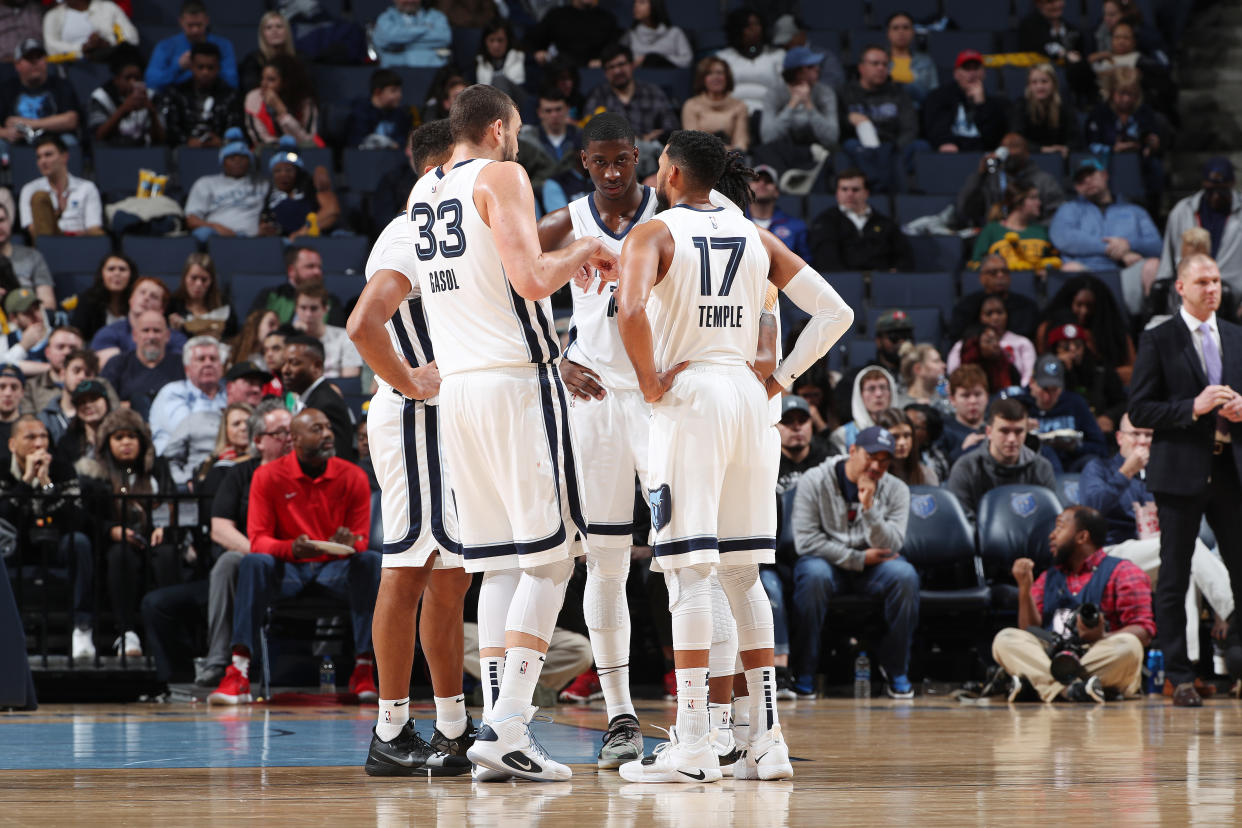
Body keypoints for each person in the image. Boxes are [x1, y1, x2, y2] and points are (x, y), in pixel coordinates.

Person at [357, 84, 615, 782]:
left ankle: (493, 734)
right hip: (512, 383)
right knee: (554, 559)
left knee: (497, 563)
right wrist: (587, 245)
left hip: (460, 394)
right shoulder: (503, 173)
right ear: (499, 129)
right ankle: (507, 726)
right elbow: (531, 280)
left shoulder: (420, 198)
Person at [615, 129, 852, 783]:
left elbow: (629, 308)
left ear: (676, 171)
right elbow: (836, 314)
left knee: (691, 575)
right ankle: (766, 741)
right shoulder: (755, 235)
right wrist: (781, 380)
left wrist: (651, 382)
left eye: (661, 163)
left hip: (691, 398)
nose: (656, 171)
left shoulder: (655, 232)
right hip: (750, 403)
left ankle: (694, 744)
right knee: (744, 576)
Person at [346, 117, 478, 775]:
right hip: (415, 416)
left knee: (452, 576)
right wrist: (410, 381)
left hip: (449, 417)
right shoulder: (408, 232)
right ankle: (392, 729)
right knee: (408, 568)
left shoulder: (459, 230)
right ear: (437, 170)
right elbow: (363, 324)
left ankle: (453, 727)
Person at [535, 112, 660, 768]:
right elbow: (508, 282)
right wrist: (554, 353)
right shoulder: (566, 222)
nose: (613, 173)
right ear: (584, 162)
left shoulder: (673, 215)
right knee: (606, 561)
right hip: (597, 400)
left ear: (638, 157)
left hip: (665, 398)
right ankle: (620, 717)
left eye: (623, 161)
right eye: (601, 162)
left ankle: (715, 719)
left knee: (696, 559)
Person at [1128, 254, 1242, 706]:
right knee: (1174, 576)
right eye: (1202, 281)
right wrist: (1191, 408)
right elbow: (1140, 409)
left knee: (1241, 570)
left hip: (1230, 468)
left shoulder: (1235, 336)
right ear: (1180, 287)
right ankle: (1179, 675)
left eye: (1216, 281)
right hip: (1180, 471)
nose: (1212, 288)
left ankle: (1237, 660)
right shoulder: (1159, 339)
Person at [208, 408, 379, 706]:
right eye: (317, 429)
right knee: (252, 561)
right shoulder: (267, 475)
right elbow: (258, 539)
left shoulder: (353, 475)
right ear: (295, 439)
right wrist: (291, 549)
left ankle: (364, 668)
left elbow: (362, 538)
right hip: (288, 570)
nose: (327, 434)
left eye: (328, 427)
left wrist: (352, 543)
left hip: (334, 569)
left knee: (371, 561)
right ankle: (238, 670)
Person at [1082, 414, 1235, 671]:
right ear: (1120, 438)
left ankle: (1183, 669)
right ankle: (1234, 609)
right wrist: (1125, 472)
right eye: (1136, 434)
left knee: (1180, 563)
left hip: (1155, 552)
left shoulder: (1164, 475)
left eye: (1149, 435)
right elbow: (1089, 511)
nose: (1142, 441)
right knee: (1185, 548)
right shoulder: (1098, 468)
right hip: (1111, 554)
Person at [791, 426, 916, 698]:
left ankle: (896, 672)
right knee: (812, 575)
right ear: (852, 451)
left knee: (904, 576)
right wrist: (858, 558)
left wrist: (869, 509)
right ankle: (804, 674)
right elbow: (806, 541)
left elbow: (893, 543)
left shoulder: (897, 490)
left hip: (875, 568)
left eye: (884, 460)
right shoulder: (814, 480)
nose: (876, 465)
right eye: (871, 456)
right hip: (829, 564)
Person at [994, 506, 1153, 703]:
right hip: (1054, 656)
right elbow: (1028, 630)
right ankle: (1073, 689)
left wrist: (1102, 635)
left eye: (1059, 528)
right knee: (1005, 638)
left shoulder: (1124, 572)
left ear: (1082, 537)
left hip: (1096, 654)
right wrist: (1024, 589)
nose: (1051, 535)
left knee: (1129, 647)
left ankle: (1041, 684)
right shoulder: (1047, 577)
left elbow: (1143, 631)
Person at [192, 399, 292, 688]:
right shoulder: (239, 474)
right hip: (256, 554)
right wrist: (263, 550)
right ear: (258, 441)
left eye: (292, 432)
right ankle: (220, 660)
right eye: (282, 433)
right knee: (228, 563)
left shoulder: (304, 471)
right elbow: (220, 529)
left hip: (302, 554)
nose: (290, 439)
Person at [79, 408, 182, 661]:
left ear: (142, 441)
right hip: (115, 544)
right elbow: (86, 517)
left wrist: (163, 527)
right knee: (120, 556)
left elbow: (171, 503)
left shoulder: (157, 469)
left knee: (168, 554)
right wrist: (110, 530)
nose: (126, 443)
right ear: (107, 442)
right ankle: (127, 633)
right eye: (118, 437)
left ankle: (170, 632)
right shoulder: (95, 474)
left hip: (154, 539)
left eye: (131, 437)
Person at [0, 415, 92, 657]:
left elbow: (76, 519)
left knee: (80, 543)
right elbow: (3, 520)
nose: (39, 444)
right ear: (12, 444)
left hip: (54, 542)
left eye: (43, 437)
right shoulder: (2, 470)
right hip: (16, 546)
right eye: (30, 437)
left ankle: (82, 627)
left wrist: (47, 485)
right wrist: (27, 481)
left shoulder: (62, 468)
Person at [1049, 157, 1161, 316]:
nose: (1087, 181)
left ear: (1104, 175)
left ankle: (1150, 322)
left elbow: (1157, 246)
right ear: (1076, 188)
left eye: (1091, 175)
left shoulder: (1134, 211)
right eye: (1080, 180)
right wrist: (1115, 250)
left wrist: (1129, 244)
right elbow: (1063, 238)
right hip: (1087, 272)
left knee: (1152, 265)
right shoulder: (1068, 209)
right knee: (1069, 268)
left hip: (1125, 273)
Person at [946, 396, 1057, 522]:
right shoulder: (966, 468)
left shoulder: (1041, 467)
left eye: (1018, 432)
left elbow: (1049, 520)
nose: (1011, 439)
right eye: (1004, 431)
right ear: (989, 432)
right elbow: (962, 524)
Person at [582, 44, 679, 178]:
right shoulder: (598, 96)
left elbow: (671, 127)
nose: (617, 71)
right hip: (613, 164)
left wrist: (650, 138)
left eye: (621, 65)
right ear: (605, 72)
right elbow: (591, 133)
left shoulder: (652, 92)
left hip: (652, 162)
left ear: (632, 65)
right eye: (611, 67)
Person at [840, 44, 921, 193]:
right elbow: (836, 128)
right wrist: (847, 120)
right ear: (861, 68)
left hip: (891, 145)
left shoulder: (898, 93)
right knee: (851, 146)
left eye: (885, 64)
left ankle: (878, 188)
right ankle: (879, 188)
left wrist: (893, 148)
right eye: (875, 64)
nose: (881, 68)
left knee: (913, 148)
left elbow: (910, 128)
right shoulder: (845, 93)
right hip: (859, 148)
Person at [1083, 67, 1167, 209]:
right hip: (1106, 163)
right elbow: (1090, 144)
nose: (1126, 99)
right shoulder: (1099, 113)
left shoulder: (1144, 112)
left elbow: (1153, 137)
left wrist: (1152, 143)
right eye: (1122, 94)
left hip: (1139, 163)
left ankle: (1152, 210)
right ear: (1112, 92)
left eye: (1131, 94)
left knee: (1156, 167)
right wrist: (1113, 149)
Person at [1158, 157, 1242, 294]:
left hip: (1233, 293)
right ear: (1203, 184)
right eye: (1211, 190)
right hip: (1191, 291)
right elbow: (1167, 260)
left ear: (1232, 183)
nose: (1216, 196)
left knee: (1225, 292)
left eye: (1222, 191)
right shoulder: (1183, 211)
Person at [1036, 273, 1136, 383]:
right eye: (1079, 305)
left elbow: (1133, 372)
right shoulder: (1048, 329)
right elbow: (1042, 367)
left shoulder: (1114, 331)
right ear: (1069, 303)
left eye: (1090, 306)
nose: (1084, 311)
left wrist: (1102, 375)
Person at [810, 168, 913, 273]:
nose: (849, 194)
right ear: (837, 193)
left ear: (866, 193)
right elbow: (826, 260)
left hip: (882, 283)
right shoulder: (825, 221)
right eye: (844, 189)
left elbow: (903, 258)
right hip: (842, 283)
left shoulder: (885, 223)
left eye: (855, 189)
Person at [955, 133, 1066, 230]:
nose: (1010, 151)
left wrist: (1032, 230)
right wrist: (980, 175)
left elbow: (1057, 215)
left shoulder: (1044, 180)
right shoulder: (991, 178)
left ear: (1026, 152)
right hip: (995, 234)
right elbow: (965, 209)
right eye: (1005, 147)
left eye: (1015, 146)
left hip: (1031, 235)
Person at [280, 335, 356, 464]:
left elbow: (337, 457)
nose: (285, 370)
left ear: (317, 366)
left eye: (294, 363)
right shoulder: (308, 398)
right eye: (284, 363)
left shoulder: (326, 404)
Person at [757, 47, 839, 164]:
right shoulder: (774, 93)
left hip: (817, 153)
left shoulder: (825, 93)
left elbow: (832, 138)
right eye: (810, 67)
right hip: (783, 154)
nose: (817, 69)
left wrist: (809, 105)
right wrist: (792, 105)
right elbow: (768, 138)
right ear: (797, 72)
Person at [184, 128, 266, 242]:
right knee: (201, 234)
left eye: (242, 157)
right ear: (223, 161)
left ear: (249, 160)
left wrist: (266, 227)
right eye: (232, 158)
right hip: (217, 236)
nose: (238, 161)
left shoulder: (262, 183)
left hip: (254, 238)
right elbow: (191, 220)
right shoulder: (206, 183)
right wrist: (214, 227)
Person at [147, 335, 225, 454]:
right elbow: (187, 432)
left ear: (221, 366)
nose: (208, 363)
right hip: (177, 463)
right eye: (201, 359)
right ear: (187, 368)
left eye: (213, 359)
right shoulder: (173, 392)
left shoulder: (229, 394)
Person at [100, 310, 183, 421]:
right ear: (135, 335)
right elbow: (103, 403)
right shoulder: (117, 364)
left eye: (157, 331)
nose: (151, 336)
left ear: (167, 335)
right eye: (146, 330)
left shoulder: (182, 364)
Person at [157, 41, 242, 149]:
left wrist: (222, 141)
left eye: (210, 67)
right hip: (183, 152)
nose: (205, 72)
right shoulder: (176, 94)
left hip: (222, 151)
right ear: (191, 66)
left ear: (218, 68)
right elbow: (171, 128)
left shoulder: (230, 95)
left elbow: (235, 126)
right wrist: (187, 141)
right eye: (200, 67)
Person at [0, 39, 83, 148]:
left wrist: (27, 124)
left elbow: (71, 120)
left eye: (39, 57)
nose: (35, 63)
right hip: (19, 142)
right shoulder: (7, 88)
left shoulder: (61, 85)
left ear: (46, 61)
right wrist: (5, 133)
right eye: (29, 58)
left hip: (53, 141)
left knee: (69, 141)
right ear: (17, 64)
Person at [1046, 322, 1126, 434]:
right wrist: (1061, 370)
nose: (1073, 350)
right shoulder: (1047, 373)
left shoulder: (1101, 369)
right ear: (1055, 350)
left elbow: (1123, 402)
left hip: (1097, 430)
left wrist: (1110, 416)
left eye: (1078, 345)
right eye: (1066, 346)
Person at [832, 309, 912, 422]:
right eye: (894, 337)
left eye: (907, 336)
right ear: (878, 341)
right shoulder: (856, 378)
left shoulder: (920, 374)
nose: (902, 342)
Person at [18, 133, 102, 239]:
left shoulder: (87, 188)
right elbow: (32, 229)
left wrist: (70, 236)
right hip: (45, 247)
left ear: (64, 157)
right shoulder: (29, 189)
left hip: (80, 244)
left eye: (48, 155)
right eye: (39, 157)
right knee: (39, 198)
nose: (42, 161)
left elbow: (94, 228)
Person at [91, 276, 188, 367]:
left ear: (162, 308)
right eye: (142, 292)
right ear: (131, 299)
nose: (146, 298)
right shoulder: (108, 333)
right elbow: (108, 367)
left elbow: (179, 368)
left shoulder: (176, 338)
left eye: (153, 296)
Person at [923, 50, 1008, 154]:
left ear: (984, 73)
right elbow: (937, 130)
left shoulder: (995, 104)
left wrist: (981, 105)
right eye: (967, 68)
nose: (972, 74)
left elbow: (992, 140)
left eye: (976, 68)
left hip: (983, 155)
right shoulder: (939, 97)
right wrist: (945, 142)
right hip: (950, 155)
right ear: (956, 73)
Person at [144, 0, 239, 93]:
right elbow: (151, 83)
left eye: (199, 25)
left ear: (207, 21)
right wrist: (178, 67)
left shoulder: (223, 46)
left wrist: (209, 69)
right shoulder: (165, 46)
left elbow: (232, 82)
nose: (195, 30)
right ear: (181, 21)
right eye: (190, 25)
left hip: (215, 98)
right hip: (177, 100)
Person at [969, 185, 1061, 274]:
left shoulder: (1041, 231)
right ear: (1018, 202)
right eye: (1033, 198)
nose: (1039, 203)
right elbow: (977, 264)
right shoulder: (992, 230)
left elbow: (1055, 261)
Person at [259, 137, 340, 238]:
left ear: (298, 171)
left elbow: (332, 211)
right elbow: (263, 223)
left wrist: (303, 232)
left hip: (312, 238)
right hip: (280, 242)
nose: (283, 175)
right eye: (278, 171)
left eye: (288, 170)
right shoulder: (267, 190)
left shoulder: (311, 184)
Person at [948, 294, 1036, 386]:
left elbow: (1029, 376)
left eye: (1000, 312)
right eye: (989, 313)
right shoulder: (964, 345)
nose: (995, 318)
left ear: (1007, 314)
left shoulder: (1022, 343)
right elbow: (953, 374)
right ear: (980, 317)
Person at [89, 43, 164, 147]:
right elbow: (98, 136)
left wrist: (152, 112)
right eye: (128, 78)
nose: (133, 82)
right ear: (116, 79)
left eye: (137, 78)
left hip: (146, 156)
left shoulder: (151, 96)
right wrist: (123, 110)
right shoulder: (101, 97)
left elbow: (162, 139)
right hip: (111, 155)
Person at [249, 246, 343, 326]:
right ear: (291, 271)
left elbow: (337, 337)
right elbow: (251, 331)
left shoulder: (331, 301)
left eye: (319, 267)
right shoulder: (270, 296)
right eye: (310, 266)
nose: (317, 272)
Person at [244, 53, 318, 147]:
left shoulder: (305, 101)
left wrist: (281, 111)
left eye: (271, 80)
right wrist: (284, 145)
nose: (263, 84)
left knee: (310, 146)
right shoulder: (254, 98)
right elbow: (260, 139)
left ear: (286, 82)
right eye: (262, 78)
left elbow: (307, 140)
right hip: (269, 151)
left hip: (301, 150)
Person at [1009, 63, 1081, 158]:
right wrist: (1043, 150)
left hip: (1060, 158)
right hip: (1029, 159)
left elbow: (1075, 139)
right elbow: (1016, 139)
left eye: (1044, 81)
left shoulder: (1064, 106)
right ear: (1029, 86)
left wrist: (1066, 148)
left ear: (1054, 83)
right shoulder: (1021, 106)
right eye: (1034, 82)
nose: (1040, 87)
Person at [526, 0, 619, 70]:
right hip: (563, 71)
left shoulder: (608, 19)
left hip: (597, 72)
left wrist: (605, 61)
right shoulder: (557, 15)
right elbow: (532, 41)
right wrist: (538, 53)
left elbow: (616, 49)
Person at [681, 57, 749, 153]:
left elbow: (741, 144)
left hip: (731, 158)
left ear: (727, 77)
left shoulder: (739, 106)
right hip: (700, 158)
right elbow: (692, 143)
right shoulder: (691, 105)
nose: (715, 77)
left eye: (719, 73)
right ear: (702, 79)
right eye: (709, 73)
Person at [293, 283, 360, 379]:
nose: (308, 314)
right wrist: (298, 336)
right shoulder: (290, 339)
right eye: (303, 308)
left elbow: (350, 380)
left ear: (325, 309)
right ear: (296, 309)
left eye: (314, 308)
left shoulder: (345, 337)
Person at [748, 164, 809, 261]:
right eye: (756, 180)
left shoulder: (796, 226)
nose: (762, 184)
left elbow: (805, 265)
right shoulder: (735, 223)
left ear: (776, 191)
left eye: (768, 181)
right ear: (747, 189)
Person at [830, 366, 896, 455]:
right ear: (860, 394)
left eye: (883, 387)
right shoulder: (842, 435)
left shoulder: (902, 429)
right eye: (871, 389)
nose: (878, 394)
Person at [42, 0, 136, 61]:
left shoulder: (108, 7)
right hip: (76, 66)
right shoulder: (52, 16)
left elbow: (131, 37)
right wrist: (82, 48)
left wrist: (107, 43)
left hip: (113, 58)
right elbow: (50, 47)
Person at [19, 325, 82, 413]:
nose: (67, 352)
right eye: (60, 347)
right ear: (47, 352)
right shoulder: (31, 387)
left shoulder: (93, 384)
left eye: (73, 348)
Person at [346, 69, 412, 150]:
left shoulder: (400, 114)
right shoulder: (360, 112)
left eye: (400, 91)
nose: (399, 95)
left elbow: (403, 140)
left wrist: (393, 144)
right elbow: (356, 142)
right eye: (393, 91)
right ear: (378, 92)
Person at [372, 0, 450, 68]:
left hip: (433, 72)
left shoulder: (436, 16)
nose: (410, 1)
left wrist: (400, 44)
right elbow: (385, 40)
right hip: (395, 74)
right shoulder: (385, 18)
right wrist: (425, 28)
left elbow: (445, 38)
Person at [936, 364, 989, 463]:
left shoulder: (997, 429)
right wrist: (963, 451)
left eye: (978, 394)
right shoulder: (942, 432)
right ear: (952, 399)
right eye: (965, 395)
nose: (973, 401)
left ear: (987, 396)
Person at [776, 395, 829, 494]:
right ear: (775, 426)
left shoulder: (827, 456)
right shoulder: (765, 460)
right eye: (787, 421)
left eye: (802, 420)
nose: (796, 427)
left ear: (811, 424)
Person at [873, 407, 938, 486]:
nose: (902, 443)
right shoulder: (872, 474)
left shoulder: (926, 475)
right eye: (895, 437)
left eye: (907, 435)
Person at [884, 11, 937, 105]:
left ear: (913, 32)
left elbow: (934, 94)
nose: (901, 32)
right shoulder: (879, 61)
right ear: (888, 33)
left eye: (906, 27)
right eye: (895, 28)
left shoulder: (925, 62)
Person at [620, 0, 691, 69]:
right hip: (640, 78)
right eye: (635, 2)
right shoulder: (630, 35)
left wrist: (658, 59)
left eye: (642, 2)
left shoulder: (675, 33)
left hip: (668, 77)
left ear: (655, 5)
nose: (635, 5)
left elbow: (687, 61)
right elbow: (619, 62)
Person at [238, 11, 295, 96]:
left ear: (287, 31)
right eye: (269, 27)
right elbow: (251, 92)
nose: (274, 31)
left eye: (279, 26)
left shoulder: (299, 59)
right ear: (262, 34)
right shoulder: (253, 60)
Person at [896, 342, 951, 417]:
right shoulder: (899, 406)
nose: (944, 365)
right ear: (918, 369)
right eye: (936, 361)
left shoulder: (948, 399)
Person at [475, 17, 525, 91]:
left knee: (499, 80)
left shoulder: (523, 58)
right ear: (485, 42)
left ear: (508, 41)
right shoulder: (477, 63)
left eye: (500, 40)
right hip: (487, 100)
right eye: (492, 40)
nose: (496, 45)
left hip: (517, 100)